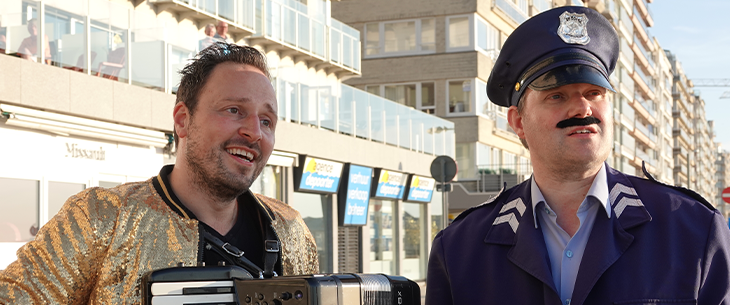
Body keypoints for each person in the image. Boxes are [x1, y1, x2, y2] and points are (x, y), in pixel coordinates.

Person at [426, 6, 730, 305]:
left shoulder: (694, 231)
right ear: (518, 121)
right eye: (557, 95)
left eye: (594, 93)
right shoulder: (459, 251)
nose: (583, 109)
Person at [0, 42, 319, 303]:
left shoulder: (290, 230)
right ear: (183, 120)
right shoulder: (101, 218)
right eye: (234, 110)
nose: (254, 132)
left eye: (267, 121)